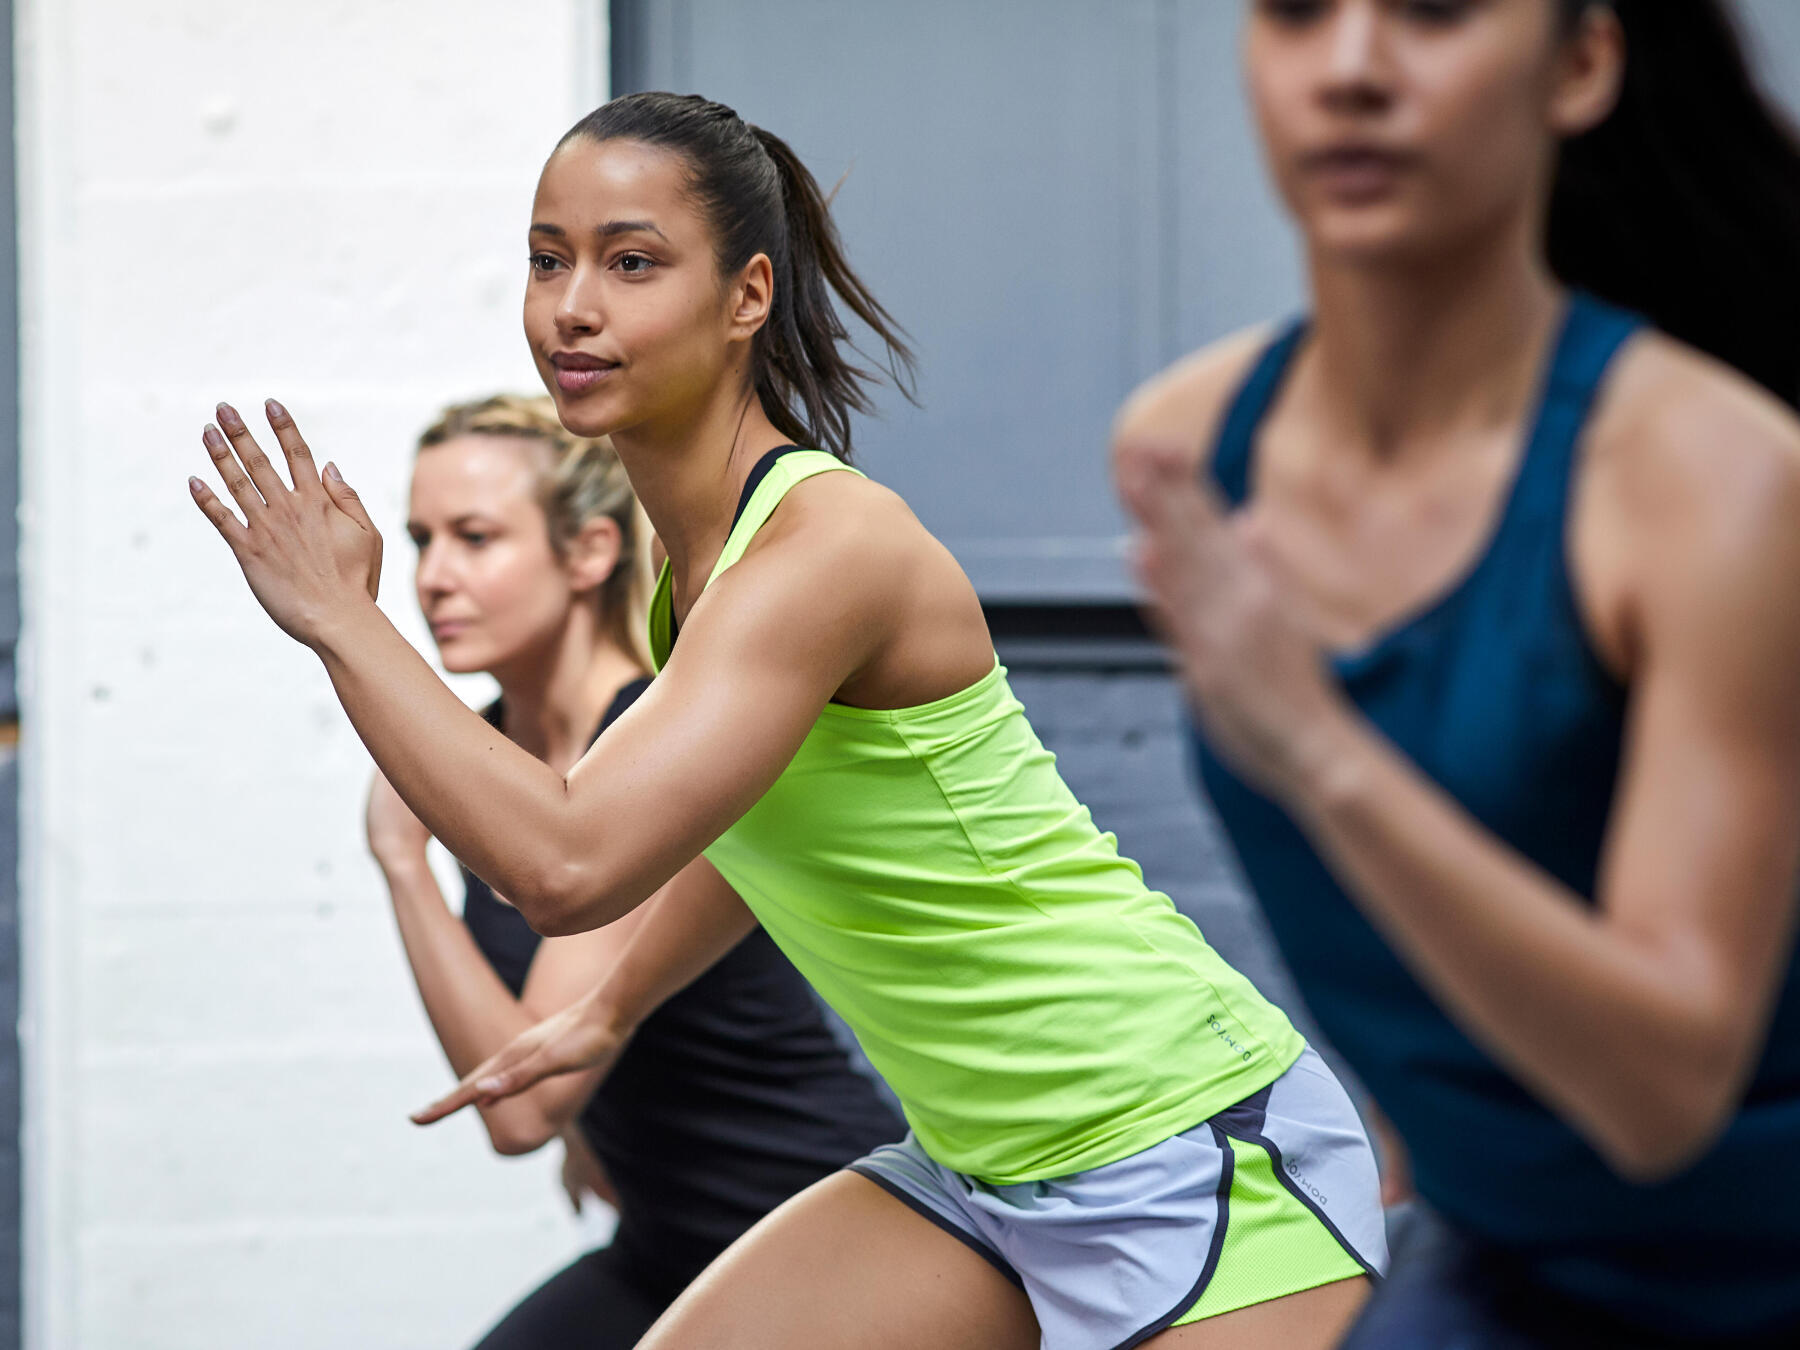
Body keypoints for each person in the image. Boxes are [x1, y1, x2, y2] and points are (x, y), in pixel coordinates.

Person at [187, 91, 1388, 1350]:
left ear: (747, 296)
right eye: (549, 260)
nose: (572, 306)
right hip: (982, 1170)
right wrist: (611, 1009)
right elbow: (760, 825)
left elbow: (566, 863)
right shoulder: (682, 570)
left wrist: (342, 620)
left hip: (1186, 1144)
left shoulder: (824, 548)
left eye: (631, 262)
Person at [1112, 2, 1800, 1346]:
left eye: (1434, 10)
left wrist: (1315, 742)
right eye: (1299, 13)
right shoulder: (1191, 446)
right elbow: (1404, 929)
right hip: (1505, 1256)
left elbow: (1663, 1089)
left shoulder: (1718, 478)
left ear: (1586, 62)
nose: (1353, 70)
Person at [364, 393, 903, 1349]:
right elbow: (555, 1038)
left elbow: (522, 1105)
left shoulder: (650, 749)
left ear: (589, 554)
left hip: (806, 1231)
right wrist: (600, 1127)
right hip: (664, 1241)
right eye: (420, 540)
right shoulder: (493, 754)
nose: (435, 577)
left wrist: (403, 863)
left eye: (476, 538)